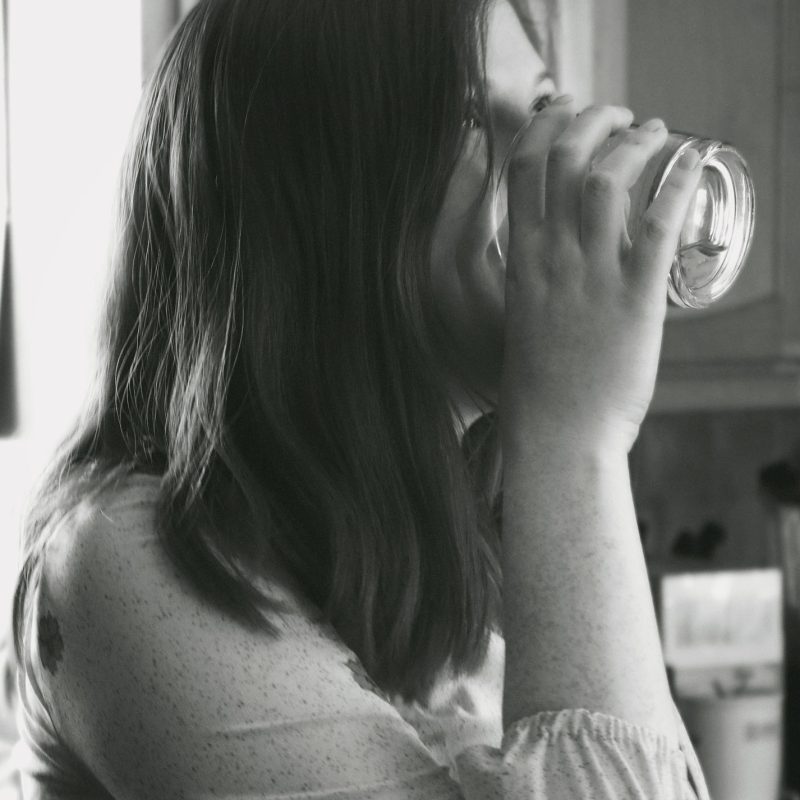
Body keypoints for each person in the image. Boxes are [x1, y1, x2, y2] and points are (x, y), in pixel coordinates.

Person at [12, 0, 711, 797]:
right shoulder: (124, 563)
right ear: (313, 203)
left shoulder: (474, 540)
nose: (548, 164)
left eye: (545, 105)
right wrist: (575, 440)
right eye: (469, 118)